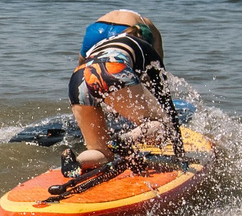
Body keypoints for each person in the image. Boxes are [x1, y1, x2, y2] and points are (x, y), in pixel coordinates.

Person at [66, 10, 181, 170]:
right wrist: (178, 149)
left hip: (78, 78)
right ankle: (125, 140)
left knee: (100, 151)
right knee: (162, 125)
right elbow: (163, 97)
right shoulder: (147, 49)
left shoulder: (102, 44)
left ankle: (76, 161)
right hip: (113, 69)